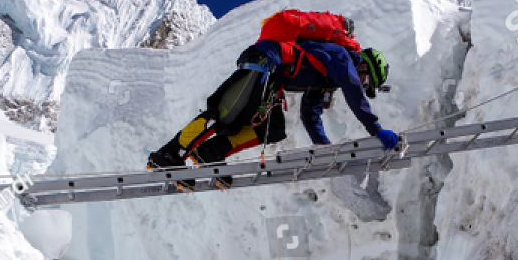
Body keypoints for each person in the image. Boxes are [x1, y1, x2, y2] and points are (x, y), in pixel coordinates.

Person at [146, 11, 400, 180]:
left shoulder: (327, 79)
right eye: (366, 79)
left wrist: (324, 150)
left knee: (274, 128)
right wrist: (376, 131)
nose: (361, 82)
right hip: (265, 63)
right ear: (364, 65)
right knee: (224, 114)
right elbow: (355, 96)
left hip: (273, 78)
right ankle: (167, 154)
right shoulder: (341, 57)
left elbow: (310, 114)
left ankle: (210, 153)